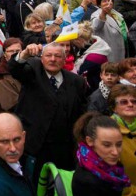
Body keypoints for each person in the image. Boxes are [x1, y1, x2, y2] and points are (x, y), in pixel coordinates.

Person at [9, 42, 87, 172]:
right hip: (36, 146)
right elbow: (15, 69)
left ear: (64, 59)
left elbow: (82, 112)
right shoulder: (32, 72)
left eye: (57, 56)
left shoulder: (76, 81)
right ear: (42, 58)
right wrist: (24, 54)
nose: (52, 59)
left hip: (65, 149)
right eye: (48, 55)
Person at [71, 112, 134, 196]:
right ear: (90, 141)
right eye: (107, 145)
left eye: (119, 144)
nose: (115, 152)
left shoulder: (104, 169)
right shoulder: (88, 181)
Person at [0, 38, 23, 114]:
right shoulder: (0, 75)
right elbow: (11, 105)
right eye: (11, 51)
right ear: (4, 54)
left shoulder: (24, 66)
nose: (14, 54)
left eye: (18, 51)